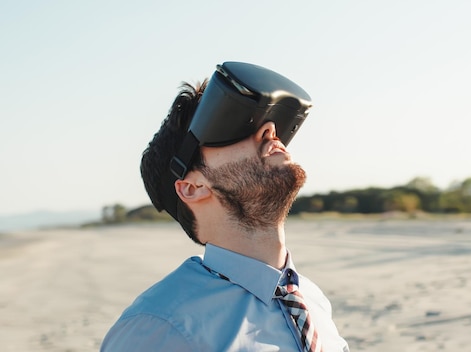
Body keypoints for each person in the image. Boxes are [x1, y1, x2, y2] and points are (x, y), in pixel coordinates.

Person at [101, 62, 350, 352]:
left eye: (270, 120)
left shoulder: (312, 299)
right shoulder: (158, 328)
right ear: (192, 188)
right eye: (230, 125)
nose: (271, 130)